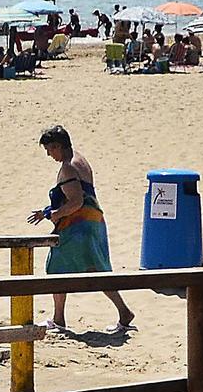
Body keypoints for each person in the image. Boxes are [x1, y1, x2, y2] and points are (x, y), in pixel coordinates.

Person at [26, 126, 135, 333]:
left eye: (50, 149)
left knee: (56, 268)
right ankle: (124, 312)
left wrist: (55, 215)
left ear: (58, 146)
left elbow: (75, 202)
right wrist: (46, 211)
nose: (49, 154)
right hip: (93, 222)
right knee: (98, 270)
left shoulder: (68, 167)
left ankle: (59, 319)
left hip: (77, 227)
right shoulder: (80, 160)